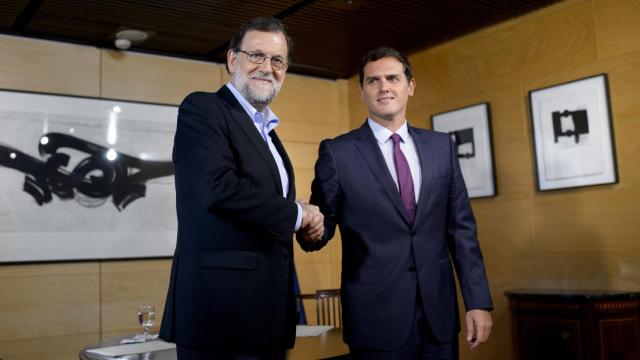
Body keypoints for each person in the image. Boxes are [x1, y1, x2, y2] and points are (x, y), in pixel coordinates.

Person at [299, 47, 493, 359]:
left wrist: (478, 301)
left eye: (392, 78)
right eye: (373, 81)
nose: (384, 86)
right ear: (362, 91)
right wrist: (309, 226)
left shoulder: (441, 146)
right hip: (375, 319)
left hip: (438, 317)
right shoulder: (338, 153)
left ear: (410, 86)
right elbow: (321, 229)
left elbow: (462, 230)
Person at [159, 17, 323, 360]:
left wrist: (307, 223)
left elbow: (266, 208)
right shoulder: (203, 108)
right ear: (233, 60)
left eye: (277, 60)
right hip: (220, 316)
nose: (267, 67)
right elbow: (218, 186)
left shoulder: (270, 134)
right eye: (256, 56)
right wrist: (296, 214)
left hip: (270, 317)